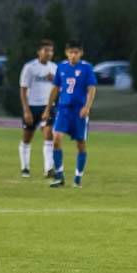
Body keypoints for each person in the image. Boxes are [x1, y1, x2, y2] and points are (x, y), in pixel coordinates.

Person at [44, 40, 97, 188]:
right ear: (67, 53)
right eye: (71, 52)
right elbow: (55, 88)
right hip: (63, 109)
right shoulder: (61, 67)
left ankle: (78, 177)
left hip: (79, 111)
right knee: (56, 138)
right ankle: (59, 176)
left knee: (80, 144)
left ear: (81, 53)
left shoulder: (86, 68)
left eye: (76, 52)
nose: (73, 55)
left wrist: (87, 107)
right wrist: (48, 108)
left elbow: (92, 88)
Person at [18, 39, 57, 178]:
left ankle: (48, 169)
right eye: (46, 50)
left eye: (51, 51)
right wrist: (26, 110)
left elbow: (59, 88)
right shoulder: (30, 67)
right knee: (27, 138)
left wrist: (55, 80)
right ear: (39, 52)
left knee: (49, 135)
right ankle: (25, 168)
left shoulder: (54, 68)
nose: (49, 53)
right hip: (32, 107)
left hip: (48, 107)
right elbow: (23, 90)